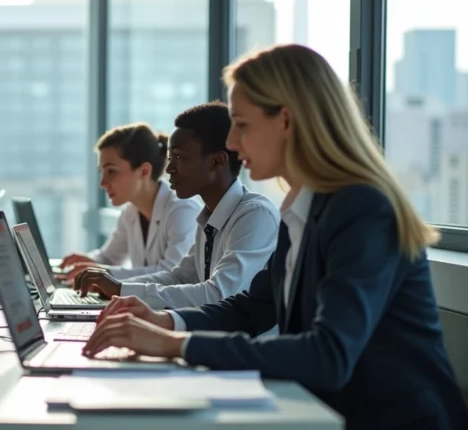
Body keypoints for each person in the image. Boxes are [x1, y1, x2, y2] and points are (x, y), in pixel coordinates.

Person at [82, 45, 468, 429]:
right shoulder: (302, 208)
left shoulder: (361, 209)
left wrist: (174, 344)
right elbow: (251, 308)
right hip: (325, 412)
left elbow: (328, 354)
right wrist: (164, 321)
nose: (232, 142)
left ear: (286, 120)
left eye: (242, 124)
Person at [72, 102, 279, 309]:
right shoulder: (210, 217)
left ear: (217, 162)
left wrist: (119, 288)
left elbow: (218, 294)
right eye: (170, 158)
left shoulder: (255, 215)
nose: (169, 168)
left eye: (179, 157)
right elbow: (179, 277)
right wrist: (118, 287)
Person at [59, 122, 199, 282]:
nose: (102, 183)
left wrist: (103, 274)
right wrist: (86, 263)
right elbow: (108, 259)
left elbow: (171, 273)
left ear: (144, 171)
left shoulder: (182, 211)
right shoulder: (130, 212)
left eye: (111, 171)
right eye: (102, 172)